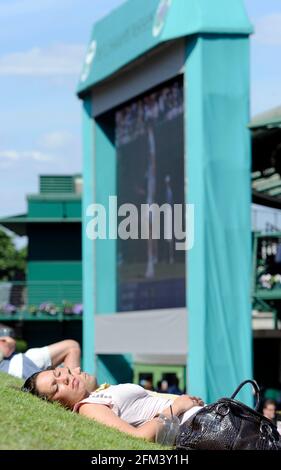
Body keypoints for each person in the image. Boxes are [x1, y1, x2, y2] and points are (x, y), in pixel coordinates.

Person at [22, 366, 204, 442]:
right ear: (55, 405)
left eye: (57, 373)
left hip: (201, 419)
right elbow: (138, 437)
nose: (65, 379)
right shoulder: (88, 407)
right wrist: (177, 406)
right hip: (198, 429)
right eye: (56, 387)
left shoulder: (97, 394)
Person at [0, 323, 82, 380]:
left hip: (17, 361)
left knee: (72, 346)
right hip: (16, 367)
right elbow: (6, 348)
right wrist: (6, 340)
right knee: (71, 347)